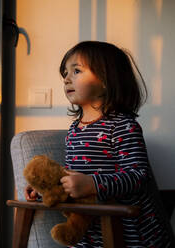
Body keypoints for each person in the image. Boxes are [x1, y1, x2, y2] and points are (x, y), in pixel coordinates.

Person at [25, 41, 175, 247]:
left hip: (127, 232)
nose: (66, 79)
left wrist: (93, 184)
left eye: (76, 71)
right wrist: (46, 187)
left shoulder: (123, 126)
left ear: (105, 80)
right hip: (89, 230)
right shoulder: (74, 130)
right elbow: (72, 175)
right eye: (65, 73)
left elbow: (138, 176)